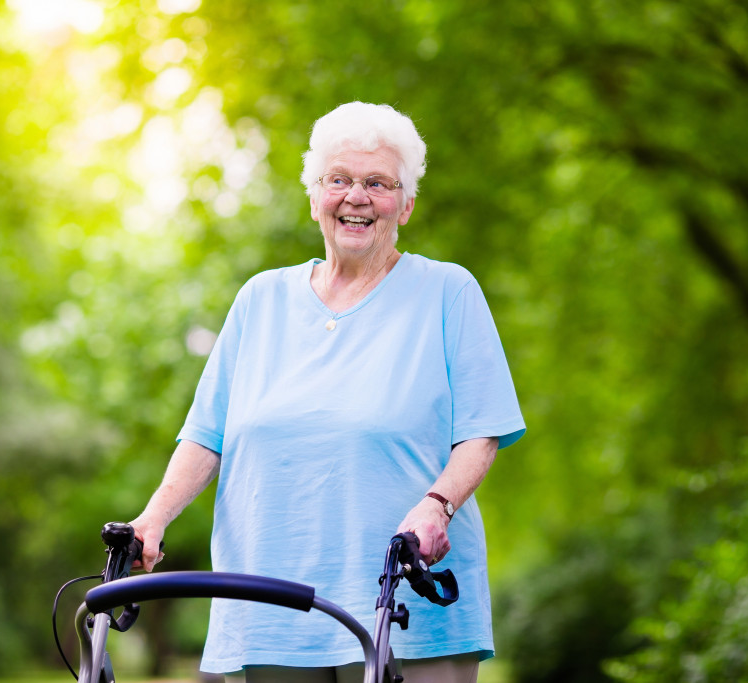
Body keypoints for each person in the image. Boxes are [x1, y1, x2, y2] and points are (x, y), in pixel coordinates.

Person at [130, 101, 525, 683]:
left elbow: (480, 433)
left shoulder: (448, 292)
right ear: (314, 196)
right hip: (271, 601)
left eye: (378, 183)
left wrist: (436, 505)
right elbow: (206, 436)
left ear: (407, 204)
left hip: (407, 600)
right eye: (338, 179)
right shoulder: (260, 300)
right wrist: (153, 518)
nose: (356, 197)